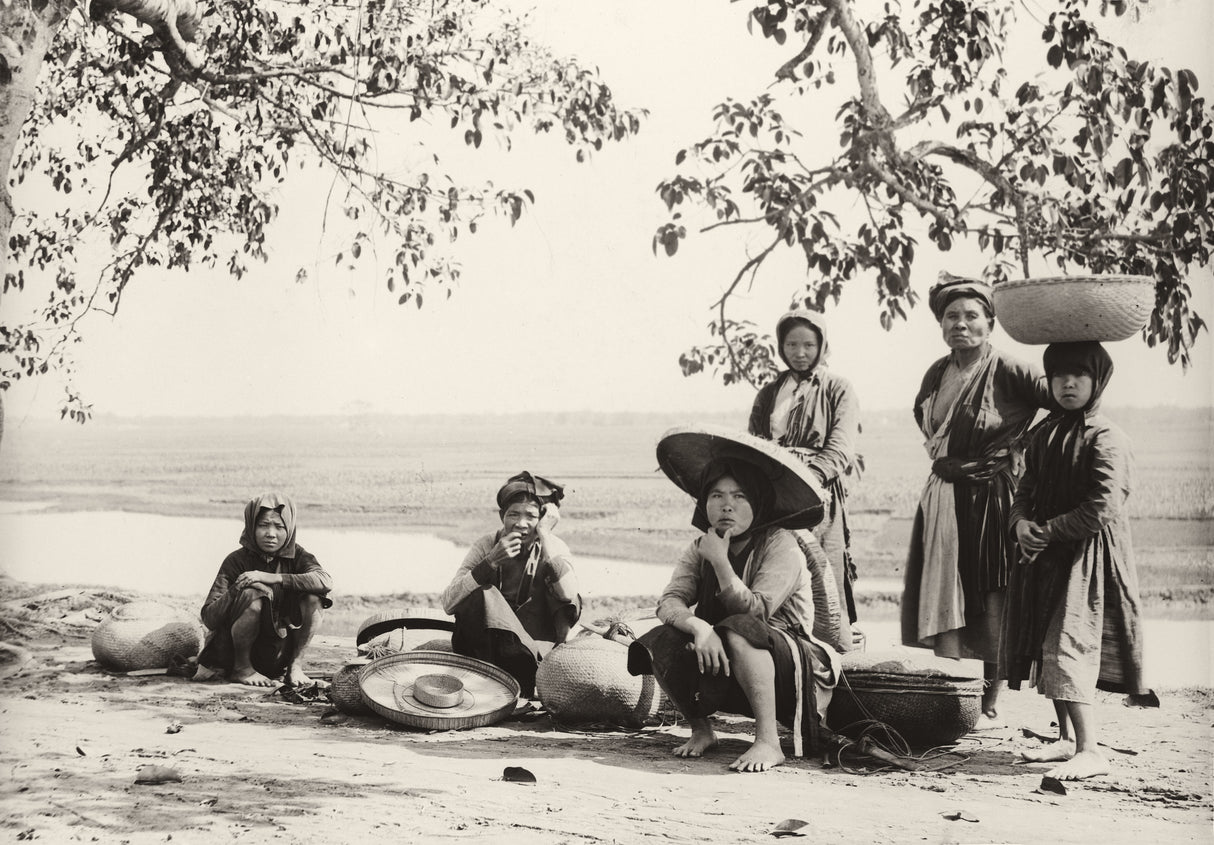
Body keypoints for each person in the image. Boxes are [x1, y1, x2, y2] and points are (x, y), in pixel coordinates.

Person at [899, 273, 1049, 724]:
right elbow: (924, 418)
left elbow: (1064, 404)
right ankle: (953, 696)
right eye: (951, 317)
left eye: (970, 316)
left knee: (992, 589)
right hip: (945, 495)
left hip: (994, 493)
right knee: (946, 587)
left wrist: (1020, 446)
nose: (960, 324)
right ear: (941, 324)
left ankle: (989, 698)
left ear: (990, 321)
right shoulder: (937, 371)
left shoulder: (1010, 368)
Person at [1000, 341, 1153, 780]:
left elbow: (1103, 505)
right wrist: (1020, 524)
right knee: (1047, 644)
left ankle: (1091, 749)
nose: (1068, 384)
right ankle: (1066, 739)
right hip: (1043, 554)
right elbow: (1024, 490)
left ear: (1097, 381)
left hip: (1087, 558)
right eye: (1059, 376)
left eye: (1079, 376)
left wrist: (1046, 532)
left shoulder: (1107, 437)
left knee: (1067, 644)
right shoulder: (1044, 433)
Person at [629, 457, 840, 773]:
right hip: (727, 655)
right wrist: (700, 627)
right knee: (659, 638)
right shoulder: (700, 547)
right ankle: (702, 730)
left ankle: (768, 741)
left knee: (740, 628)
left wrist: (721, 563)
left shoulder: (782, 543)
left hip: (791, 666)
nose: (727, 506)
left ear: (758, 502)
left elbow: (756, 610)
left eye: (740, 496)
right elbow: (670, 600)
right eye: (717, 495)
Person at [748, 309, 861, 650]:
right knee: (774, 570)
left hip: (817, 497)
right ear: (781, 347)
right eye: (792, 344)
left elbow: (841, 447)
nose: (800, 352)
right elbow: (754, 444)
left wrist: (805, 481)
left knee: (823, 575)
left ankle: (831, 658)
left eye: (809, 345)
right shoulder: (769, 393)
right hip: (773, 498)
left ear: (822, 346)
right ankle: (778, 653)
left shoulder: (838, 388)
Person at [441, 471, 581, 697]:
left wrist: (545, 536)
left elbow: (568, 596)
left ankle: (549, 672)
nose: (521, 524)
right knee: (482, 594)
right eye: (513, 514)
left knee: (563, 586)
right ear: (501, 516)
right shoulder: (487, 544)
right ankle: (488, 682)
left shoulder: (554, 546)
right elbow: (448, 603)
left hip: (533, 656)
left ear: (544, 518)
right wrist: (491, 562)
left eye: (531, 517)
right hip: (487, 655)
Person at [195, 492, 332, 687]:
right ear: (251, 526)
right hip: (232, 654)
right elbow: (209, 618)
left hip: (278, 654)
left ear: (290, 528)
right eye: (263, 525)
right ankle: (242, 669)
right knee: (253, 593)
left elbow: (325, 580)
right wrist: (237, 590)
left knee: (314, 598)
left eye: (279, 526)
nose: (271, 533)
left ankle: (295, 667)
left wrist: (273, 578)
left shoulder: (298, 556)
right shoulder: (236, 560)